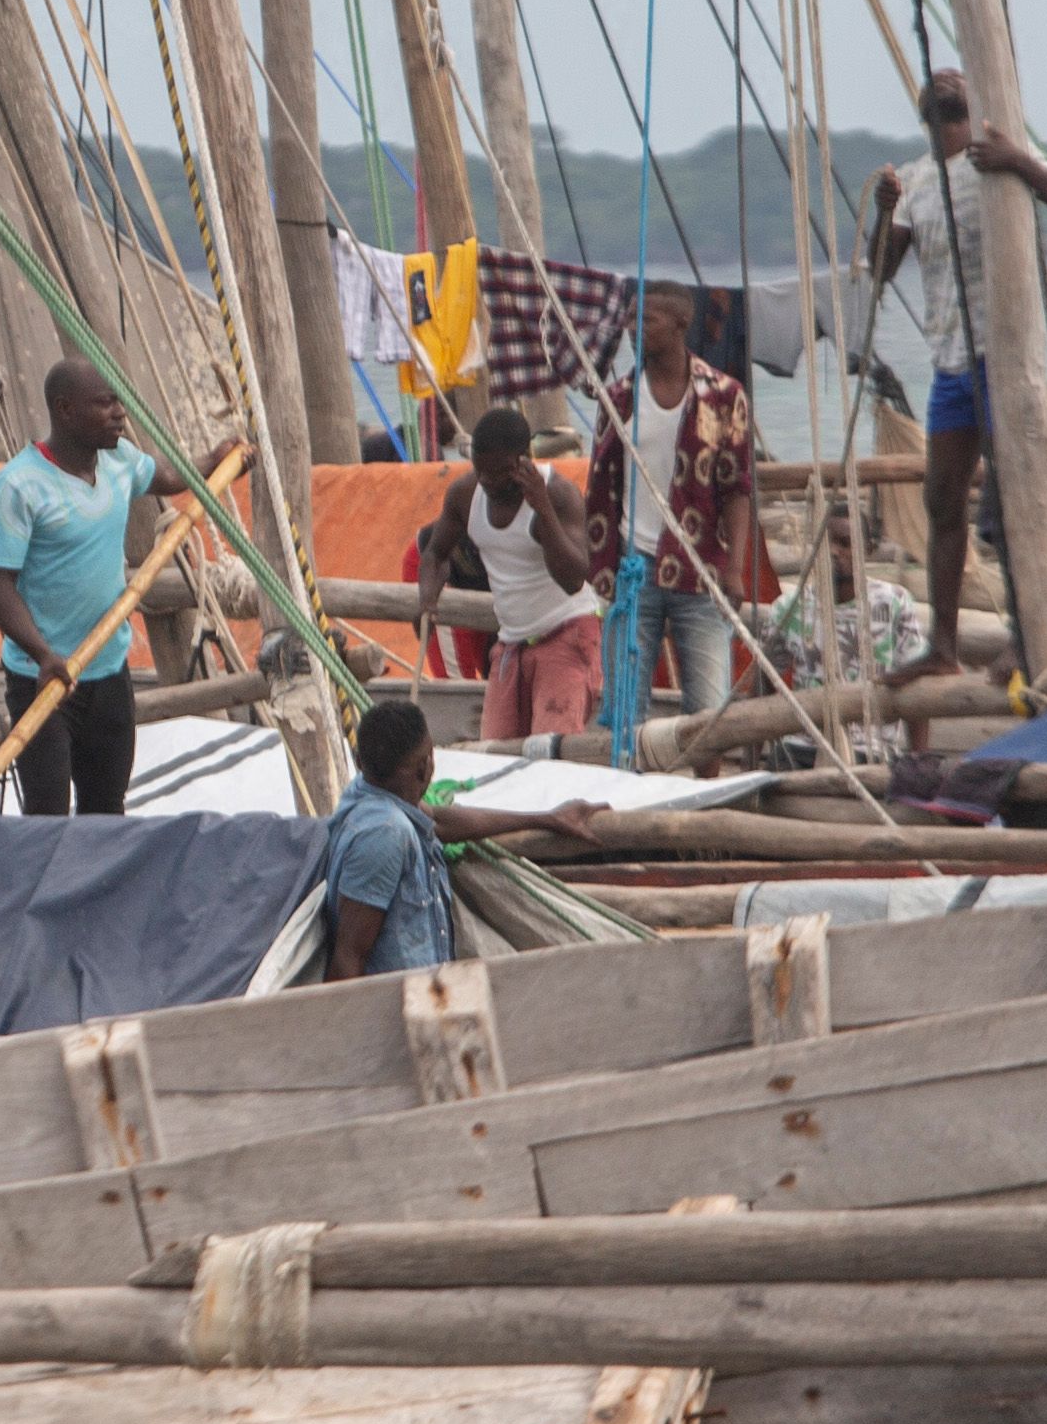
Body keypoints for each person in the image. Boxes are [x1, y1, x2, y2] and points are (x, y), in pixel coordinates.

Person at [862, 69, 1047, 681]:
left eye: (952, 93)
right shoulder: (914, 180)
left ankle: (1029, 628)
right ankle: (943, 643)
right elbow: (881, 268)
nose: (943, 88)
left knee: (1016, 494)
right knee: (942, 497)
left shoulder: (1001, 152)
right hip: (952, 361)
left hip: (1004, 356)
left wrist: (1019, 161)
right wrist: (883, 216)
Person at [0, 359, 184, 815]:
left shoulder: (120, 459)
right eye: (104, 404)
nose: (119, 414)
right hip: (44, 679)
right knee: (47, 814)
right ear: (65, 410)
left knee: (106, 808)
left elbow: (167, 478)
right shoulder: (18, 486)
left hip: (107, 671)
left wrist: (222, 458)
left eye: (118, 402)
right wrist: (43, 653)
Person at [316, 696, 605, 978]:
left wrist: (546, 819)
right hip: (401, 1010)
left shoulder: (376, 793)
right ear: (425, 766)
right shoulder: (386, 835)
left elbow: (439, 821)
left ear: (360, 762)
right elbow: (349, 956)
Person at [588, 283, 760, 748]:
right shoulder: (618, 398)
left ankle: (703, 797)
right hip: (632, 569)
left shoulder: (724, 396)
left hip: (700, 568)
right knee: (625, 709)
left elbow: (737, 487)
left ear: (681, 325)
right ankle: (629, 793)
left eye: (647, 321)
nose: (633, 329)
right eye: (630, 320)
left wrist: (734, 568)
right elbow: (600, 486)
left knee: (708, 712)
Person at [417, 401, 606, 743]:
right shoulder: (465, 493)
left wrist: (542, 508)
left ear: (524, 459)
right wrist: (427, 598)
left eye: (499, 474)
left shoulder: (559, 495)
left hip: (566, 633)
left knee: (548, 752)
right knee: (497, 749)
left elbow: (573, 578)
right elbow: (435, 554)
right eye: (481, 472)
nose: (488, 483)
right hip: (512, 643)